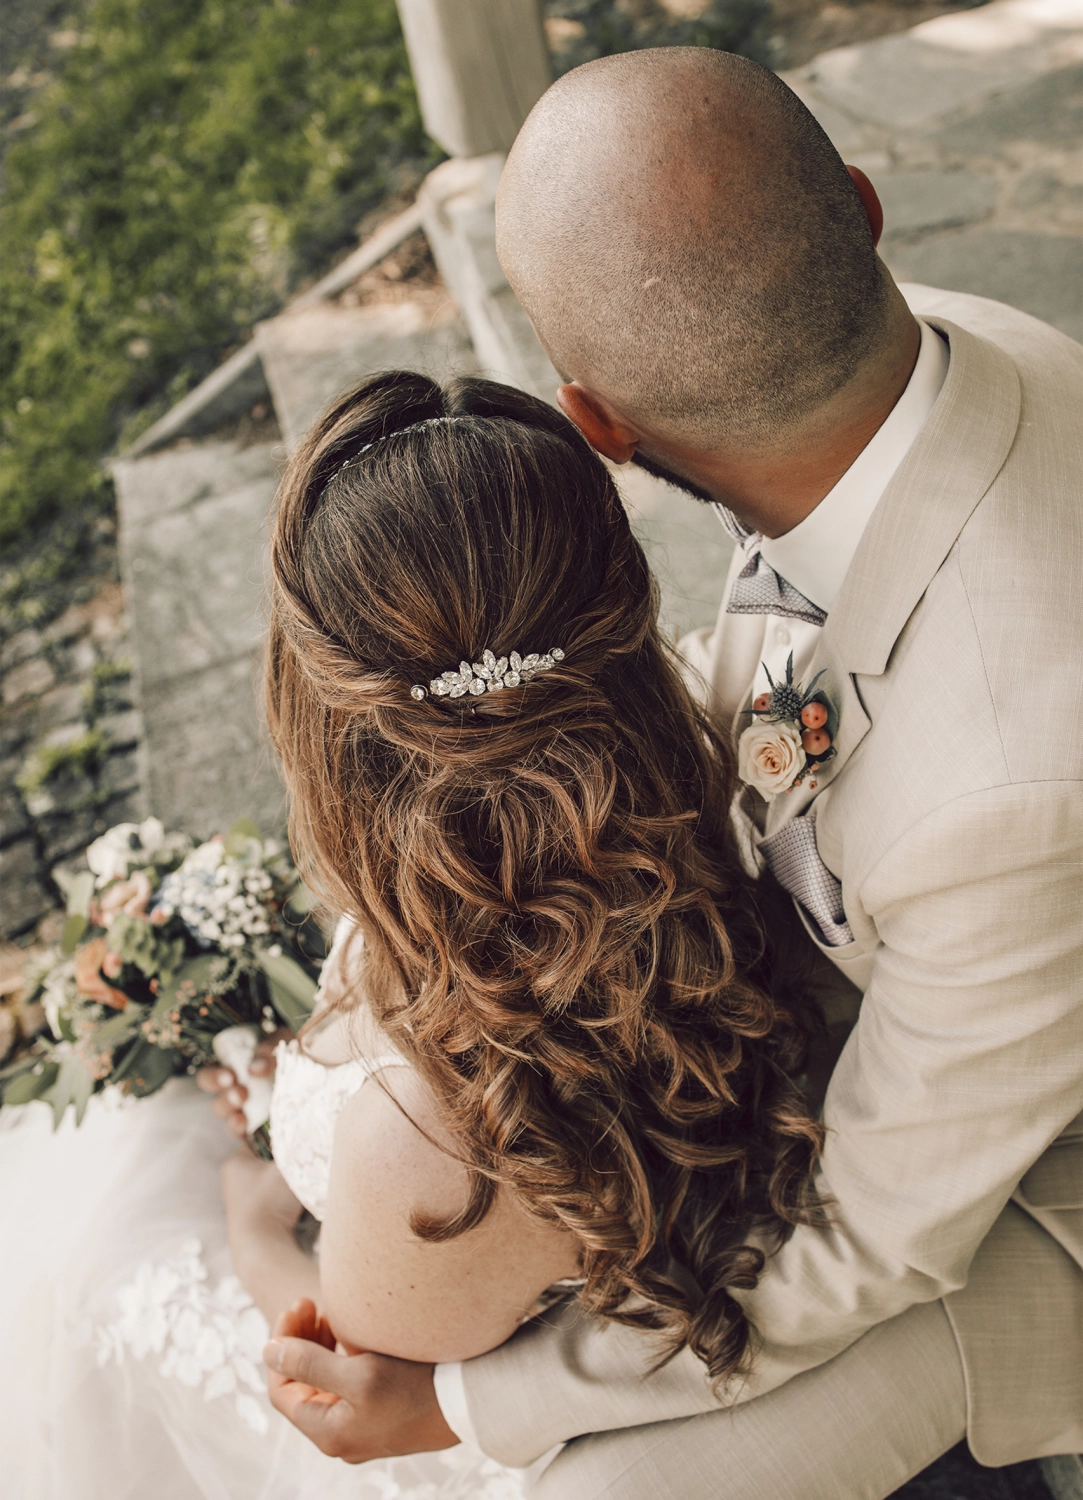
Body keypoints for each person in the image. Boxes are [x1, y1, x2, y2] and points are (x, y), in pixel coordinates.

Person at [262, 47, 1083, 1499]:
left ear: (598, 428)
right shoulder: (923, 354)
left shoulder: (1006, 791)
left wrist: (474, 1401)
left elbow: (879, 1240)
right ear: (858, 207)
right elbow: (790, 674)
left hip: (1021, 1212)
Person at [0, 364, 839, 1500]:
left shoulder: (435, 1129)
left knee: (79, 1276)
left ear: (320, 717)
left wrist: (257, 1221)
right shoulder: (693, 790)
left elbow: (337, 1376)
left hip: (443, 1421)